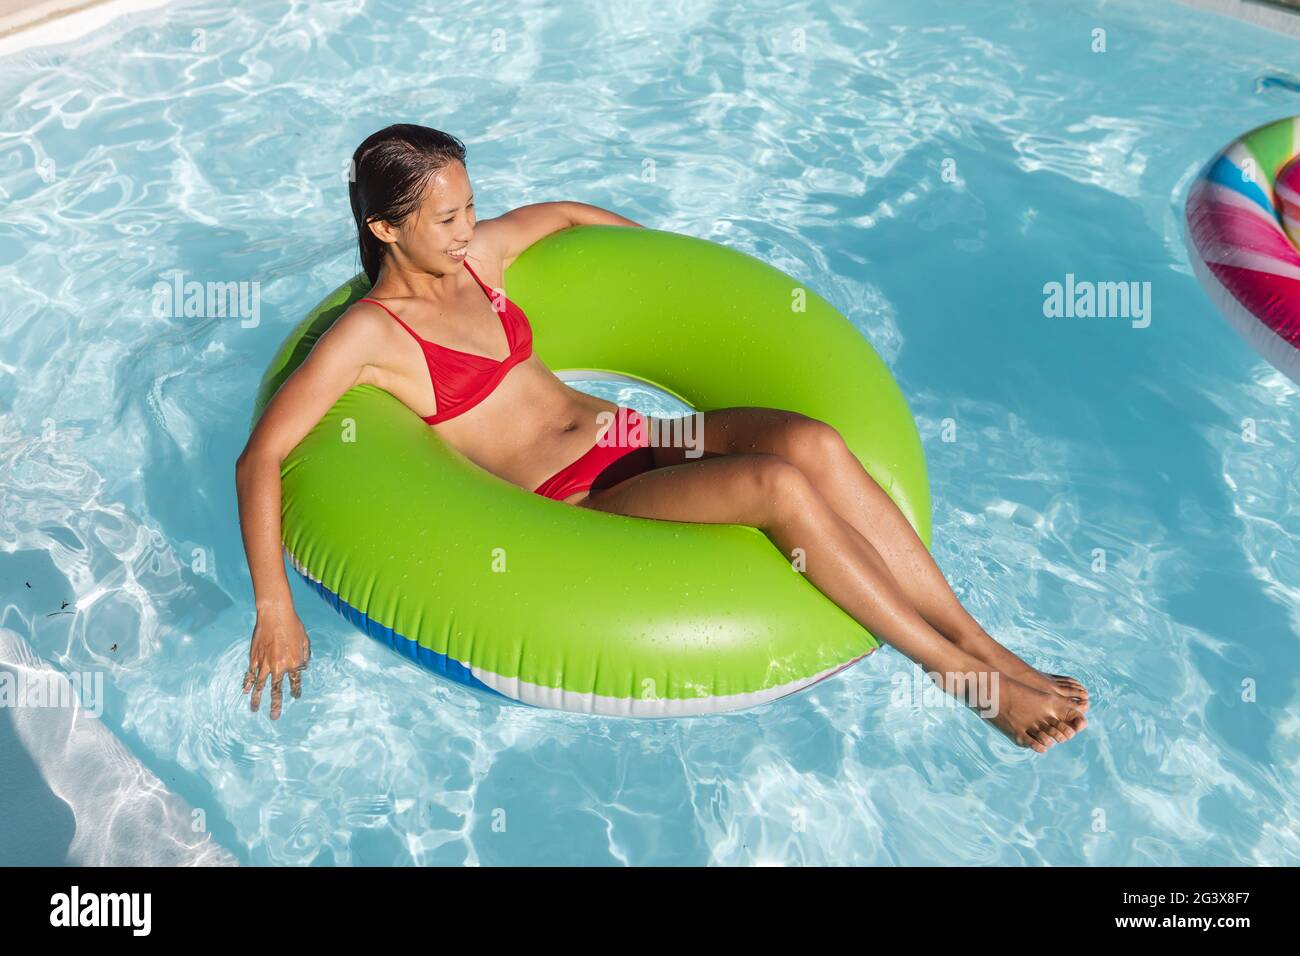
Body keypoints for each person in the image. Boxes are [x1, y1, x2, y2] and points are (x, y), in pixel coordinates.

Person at [235, 124, 1089, 751]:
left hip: (643, 435)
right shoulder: (370, 335)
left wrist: (676, 277)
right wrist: (276, 603)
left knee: (814, 442)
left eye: (469, 209)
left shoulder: (477, 261)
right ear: (387, 228)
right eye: (446, 218)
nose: (466, 231)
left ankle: (989, 646)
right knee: (778, 486)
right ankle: (961, 681)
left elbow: (566, 216)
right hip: (581, 492)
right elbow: (262, 455)